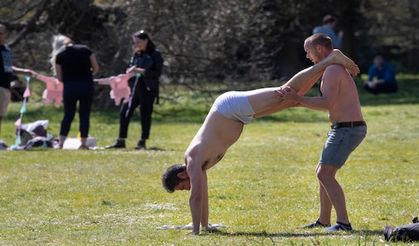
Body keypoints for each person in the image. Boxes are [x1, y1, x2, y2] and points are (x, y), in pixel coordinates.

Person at [161, 49, 360, 235]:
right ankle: (326, 64)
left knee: (284, 92)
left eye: (183, 186)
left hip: (229, 108)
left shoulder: (193, 159)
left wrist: (195, 233)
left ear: (181, 174)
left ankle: (330, 59)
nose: (188, 189)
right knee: (290, 99)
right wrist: (204, 226)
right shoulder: (199, 166)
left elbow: (195, 197)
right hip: (239, 115)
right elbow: (202, 196)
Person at [277, 33, 367, 232]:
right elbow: (328, 102)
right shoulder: (333, 67)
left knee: (324, 173)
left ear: (319, 49)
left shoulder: (333, 70)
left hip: (348, 129)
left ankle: (343, 223)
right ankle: (324, 220)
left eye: (308, 52)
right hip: (344, 128)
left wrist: (299, 99)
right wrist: (297, 101)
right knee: (324, 172)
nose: (308, 56)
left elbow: (327, 103)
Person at [106, 30, 163, 150]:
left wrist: (141, 71)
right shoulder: (136, 54)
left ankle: (142, 141)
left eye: (138, 42)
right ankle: (121, 140)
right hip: (133, 88)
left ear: (146, 41)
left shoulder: (155, 54)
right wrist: (129, 72)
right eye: (134, 42)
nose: (136, 44)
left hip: (147, 88)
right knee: (124, 112)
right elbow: (131, 68)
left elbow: (157, 73)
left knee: (145, 114)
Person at [52, 34, 100, 149]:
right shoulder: (85, 49)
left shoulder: (60, 56)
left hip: (70, 87)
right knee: (84, 114)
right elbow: (96, 68)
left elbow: (59, 78)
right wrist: (87, 75)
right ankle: (83, 143)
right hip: (86, 86)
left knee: (68, 115)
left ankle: (61, 143)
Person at [0, 23, 31, 143]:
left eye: (1, 33)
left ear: (5, 34)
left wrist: (23, 71)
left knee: (1, 115)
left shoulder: (6, 49)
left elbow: (8, 67)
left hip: (6, 87)